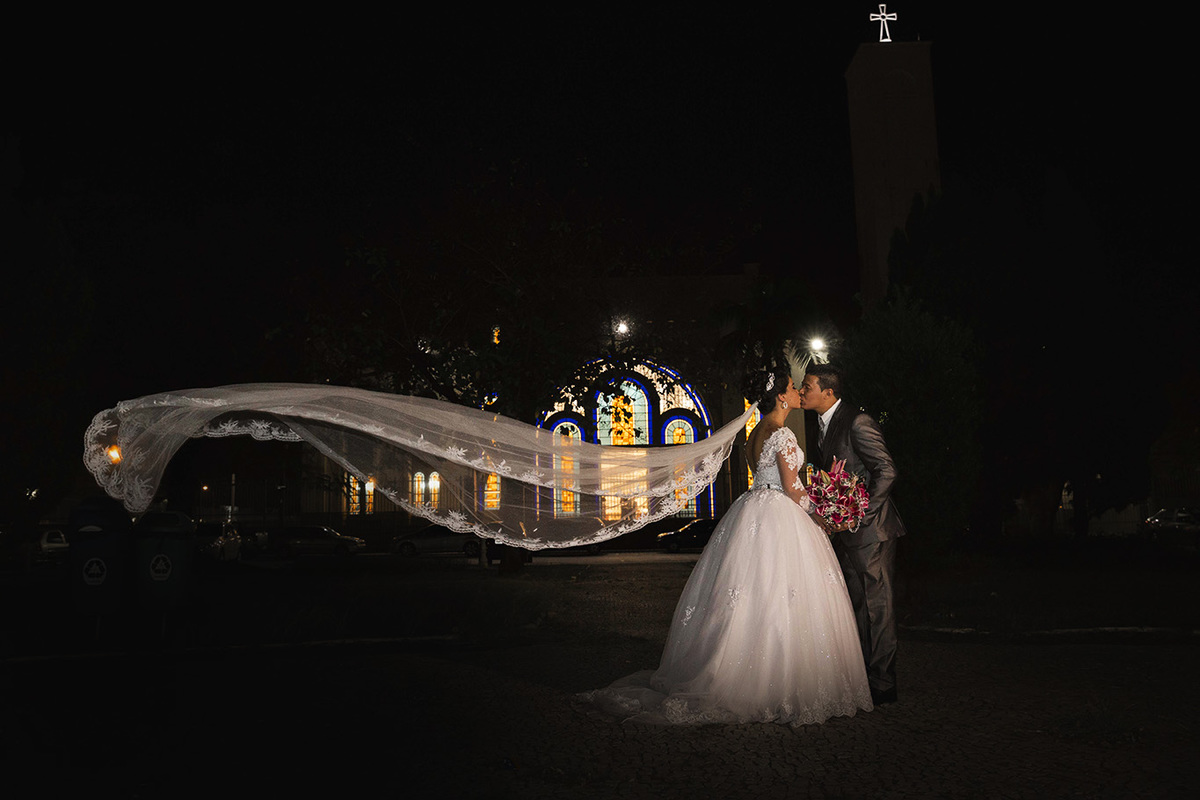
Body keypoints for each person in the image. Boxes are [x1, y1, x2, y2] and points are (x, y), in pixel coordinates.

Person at [580, 365, 872, 726]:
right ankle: (773, 682)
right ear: (781, 396)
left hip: (752, 510)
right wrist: (825, 513)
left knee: (750, 594)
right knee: (780, 593)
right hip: (780, 515)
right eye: (794, 387)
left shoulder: (757, 434)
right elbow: (793, 489)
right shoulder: (782, 435)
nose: (798, 391)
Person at [799, 363, 906, 706]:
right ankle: (863, 678)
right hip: (844, 533)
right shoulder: (820, 423)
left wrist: (858, 514)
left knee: (878, 608)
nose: (803, 392)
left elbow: (886, 470)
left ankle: (884, 684)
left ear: (828, 392)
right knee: (856, 606)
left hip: (871, 531)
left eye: (807, 386)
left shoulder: (858, 421)